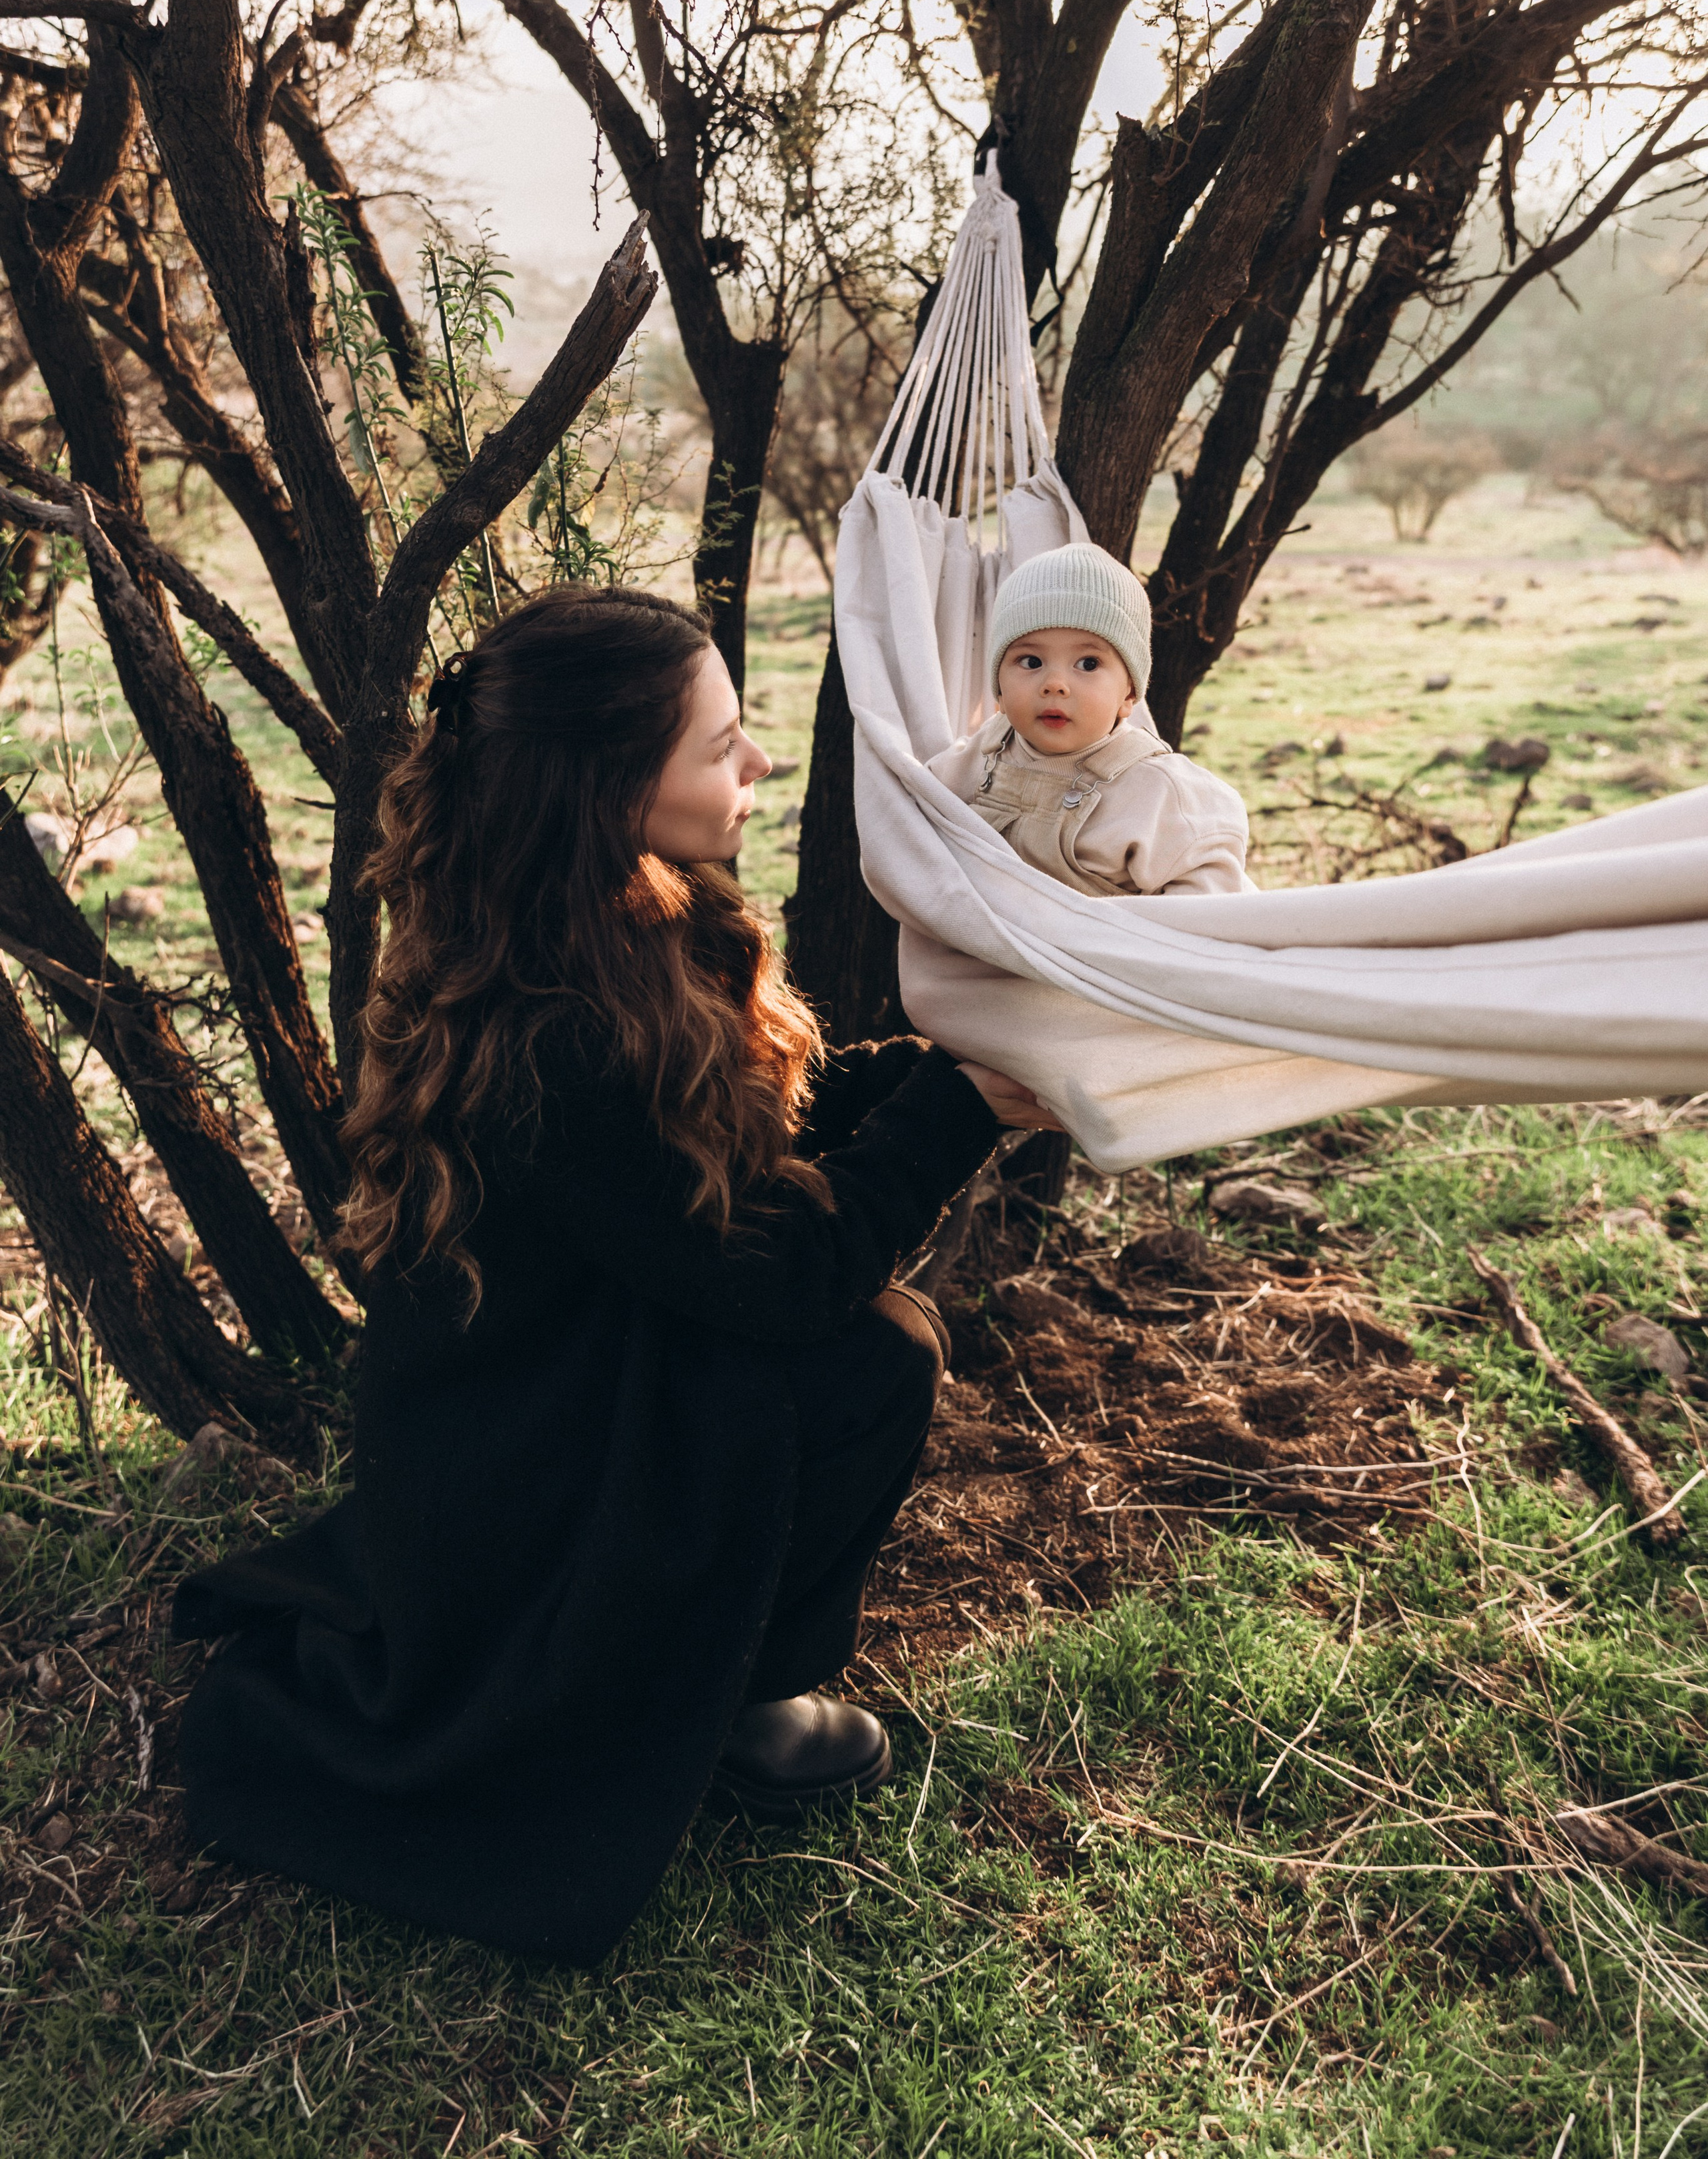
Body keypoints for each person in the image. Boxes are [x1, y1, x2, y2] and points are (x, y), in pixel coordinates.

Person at [171, 583, 1054, 1964]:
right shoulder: (547, 1030)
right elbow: (772, 1278)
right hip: (528, 1451)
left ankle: (738, 1677)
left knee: (870, 1340)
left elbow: (749, 1133)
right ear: (606, 785)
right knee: (875, 1351)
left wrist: (936, 1075)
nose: (755, 763)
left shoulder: (609, 914)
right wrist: (960, 1119)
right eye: (721, 745)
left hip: (571, 1365)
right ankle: (751, 1700)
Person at [927, 542, 1251, 897]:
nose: (1055, 685)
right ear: (999, 690)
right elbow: (918, 807)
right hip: (987, 944)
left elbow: (1209, 907)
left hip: (1099, 949)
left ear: (1129, 695)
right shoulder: (987, 751)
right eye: (1031, 662)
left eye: (1088, 664)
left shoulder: (1158, 791)